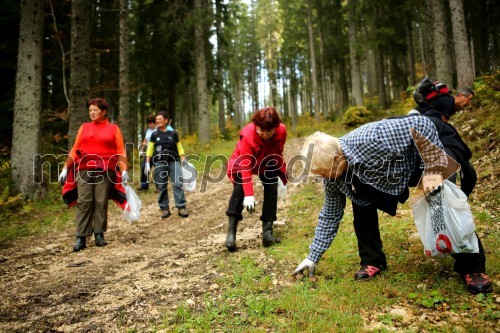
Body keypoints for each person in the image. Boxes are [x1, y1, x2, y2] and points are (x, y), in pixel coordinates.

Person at [291, 115, 492, 294]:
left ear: (337, 159)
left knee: (441, 201)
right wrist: (312, 256)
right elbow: (330, 214)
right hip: (396, 168)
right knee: (360, 200)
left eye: (324, 173)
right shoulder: (335, 175)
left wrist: (431, 170)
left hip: (429, 145)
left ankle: (472, 267)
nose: (325, 179)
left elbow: (422, 123)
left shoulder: (373, 137)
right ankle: (372, 261)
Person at [58, 98, 129, 252]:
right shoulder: (84, 127)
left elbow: (120, 151)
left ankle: (99, 234)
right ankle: (81, 237)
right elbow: (75, 148)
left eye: (95, 110)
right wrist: (65, 168)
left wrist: (124, 170)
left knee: (100, 201)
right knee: (84, 201)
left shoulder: (113, 129)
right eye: (90, 110)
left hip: (106, 170)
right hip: (84, 169)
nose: (92, 113)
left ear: (103, 112)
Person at [225, 107, 287, 251]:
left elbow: (278, 151)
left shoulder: (281, 131)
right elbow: (245, 166)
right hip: (244, 160)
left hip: (267, 159)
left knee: (271, 187)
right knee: (239, 188)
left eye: (269, 131)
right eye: (261, 130)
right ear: (256, 126)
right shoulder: (248, 135)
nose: (265, 134)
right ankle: (231, 233)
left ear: (275, 128)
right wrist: (249, 195)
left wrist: (281, 174)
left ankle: (267, 233)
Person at [145, 111, 189, 219]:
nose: (158, 121)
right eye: (157, 120)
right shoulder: (154, 134)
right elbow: (150, 149)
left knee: (178, 183)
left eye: (160, 119)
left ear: (166, 120)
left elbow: (179, 147)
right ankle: (164, 208)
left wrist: (183, 158)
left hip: (173, 160)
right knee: (161, 185)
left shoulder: (173, 133)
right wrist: (147, 163)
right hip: (160, 161)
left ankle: (181, 206)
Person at [138, 115, 156, 191]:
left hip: (157, 152)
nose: (151, 125)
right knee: (144, 167)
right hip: (148, 152)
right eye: (149, 124)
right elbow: (145, 141)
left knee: (158, 169)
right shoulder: (147, 131)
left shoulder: (158, 130)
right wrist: (142, 149)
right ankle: (144, 185)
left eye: (152, 123)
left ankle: (159, 187)